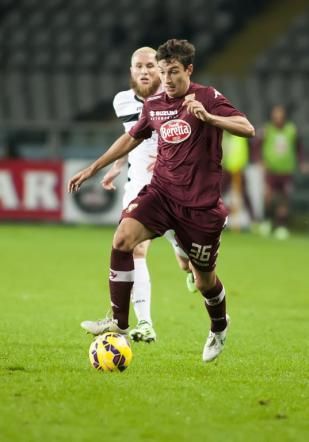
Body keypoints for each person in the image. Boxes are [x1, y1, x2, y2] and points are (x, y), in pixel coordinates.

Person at [68, 39, 255, 363]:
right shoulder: (154, 104)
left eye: (173, 73)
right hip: (161, 194)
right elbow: (130, 137)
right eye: (163, 72)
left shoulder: (207, 97)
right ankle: (120, 322)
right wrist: (93, 167)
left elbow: (247, 128)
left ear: (189, 70)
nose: (166, 80)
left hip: (199, 207)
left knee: (204, 280)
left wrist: (210, 118)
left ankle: (219, 326)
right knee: (124, 239)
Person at [81, 47, 194, 343]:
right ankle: (144, 323)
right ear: (131, 71)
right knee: (133, 248)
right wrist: (117, 166)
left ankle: (191, 265)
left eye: (148, 66)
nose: (143, 71)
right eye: (137, 66)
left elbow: (193, 135)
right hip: (140, 183)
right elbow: (133, 135)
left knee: (187, 262)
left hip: (176, 185)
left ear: (159, 69)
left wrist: (171, 158)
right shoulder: (122, 101)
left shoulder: (178, 99)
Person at [255, 105, 304, 239]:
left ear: (284, 116)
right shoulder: (267, 129)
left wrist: (302, 162)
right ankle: (267, 221)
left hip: (286, 170)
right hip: (271, 170)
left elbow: (299, 147)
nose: (278, 118)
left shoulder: (291, 130)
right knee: (268, 197)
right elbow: (257, 145)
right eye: (275, 115)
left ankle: (281, 226)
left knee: (284, 199)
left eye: (280, 115)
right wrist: (259, 160)